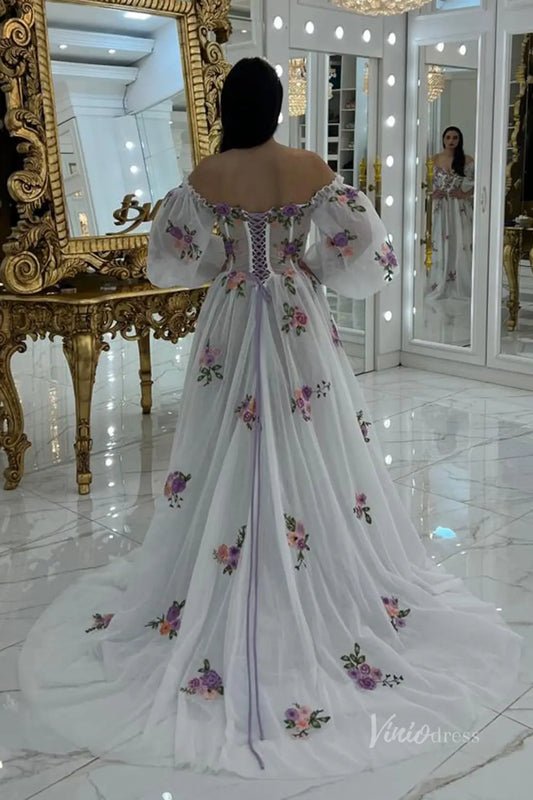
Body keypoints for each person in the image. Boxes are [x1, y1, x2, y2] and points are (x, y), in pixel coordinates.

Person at [19, 59, 520, 779]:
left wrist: (225, 267)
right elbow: (366, 249)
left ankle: (232, 559)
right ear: (278, 106)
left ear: (229, 106)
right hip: (293, 313)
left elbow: (171, 260)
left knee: (225, 435)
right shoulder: (308, 168)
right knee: (305, 432)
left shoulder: (209, 173)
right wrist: (308, 266)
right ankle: (302, 556)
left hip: (231, 313)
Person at [426, 126, 475, 302]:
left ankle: (461, 282)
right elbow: (424, 183)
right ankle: (439, 281)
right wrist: (432, 193)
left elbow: (478, 183)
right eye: (448, 137)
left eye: (455, 137)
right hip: (440, 208)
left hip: (459, 208)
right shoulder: (434, 159)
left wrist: (465, 194)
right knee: (439, 241)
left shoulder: (467, 160)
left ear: (459, 140)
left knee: (461, 241)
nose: (451, 141)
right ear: (443, 140)